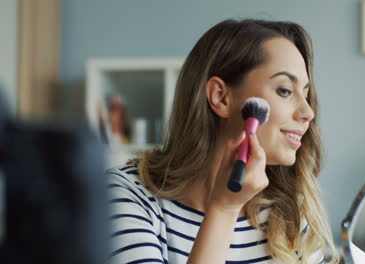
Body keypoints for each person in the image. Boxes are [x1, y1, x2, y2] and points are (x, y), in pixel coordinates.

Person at [107, 19, 340, 263]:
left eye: (306, 94)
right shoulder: (127, 196)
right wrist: (223, 209)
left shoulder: (288, 214)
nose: (308, 112)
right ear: (220, 97)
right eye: (284, 90)